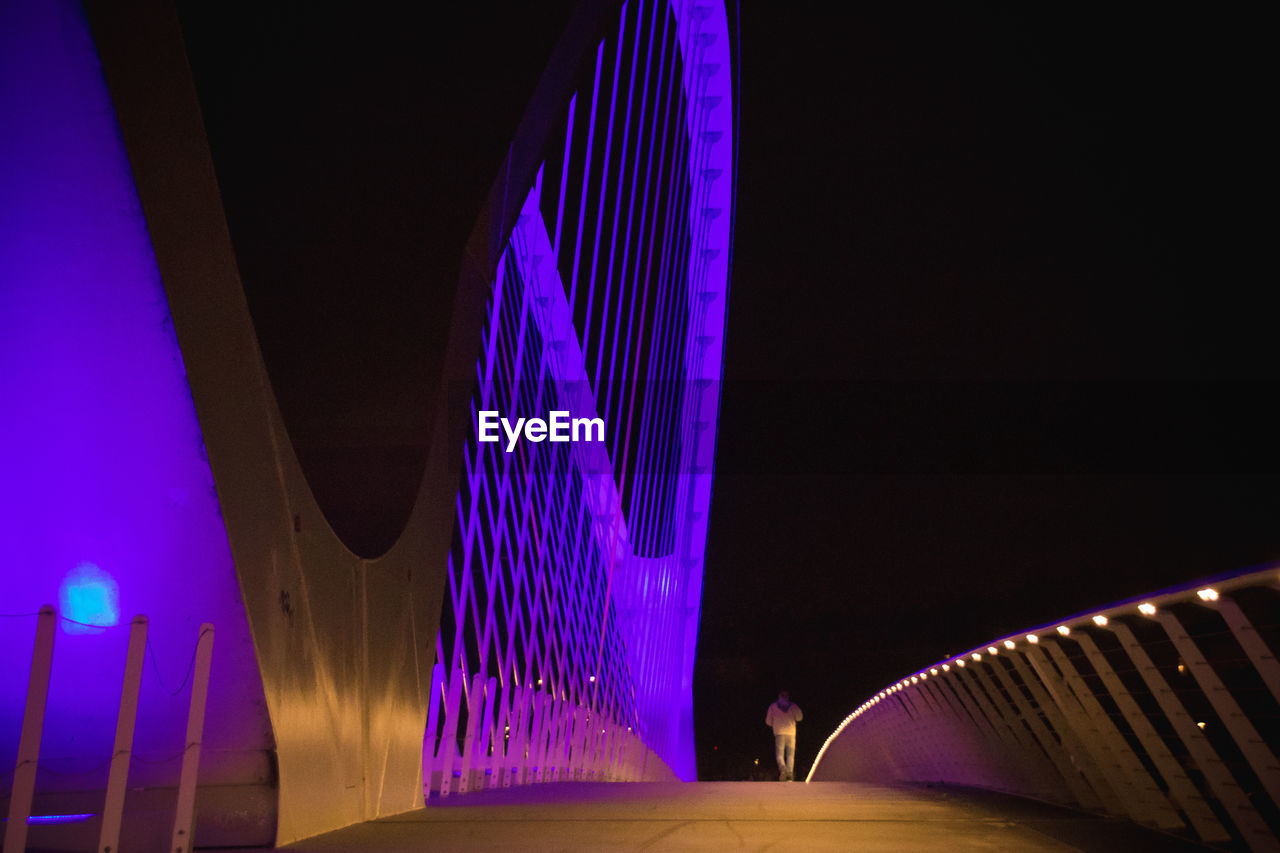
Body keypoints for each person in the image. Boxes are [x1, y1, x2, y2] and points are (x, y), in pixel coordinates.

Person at [765, 690, 803, 781]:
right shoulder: (793, 706)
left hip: (779, 733)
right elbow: (799, 717)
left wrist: (775, 723)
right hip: (791, 732)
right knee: (790, 755)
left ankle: (782, 768)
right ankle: (789, 774)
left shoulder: (773, 706)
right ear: (788, 696)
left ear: (779, 696)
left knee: (780, 754)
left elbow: (768, 721)